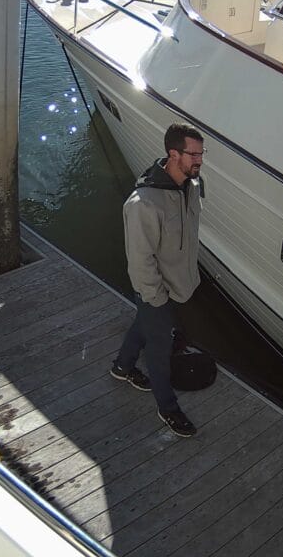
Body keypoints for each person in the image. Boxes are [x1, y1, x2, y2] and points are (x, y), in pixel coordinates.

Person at [111, 123, 204, 437]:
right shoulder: (143, 204)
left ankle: (122, 367)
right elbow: (140, 261)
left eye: (201, 153)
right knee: (159, 349)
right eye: (193, 154)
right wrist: (156, 298)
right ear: (173, 154)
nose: (199, 161)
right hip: (156, 292)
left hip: (181, 286)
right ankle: (168, 408)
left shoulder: (193, 184)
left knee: (145, 325)